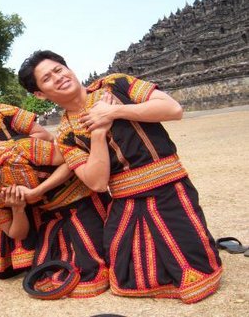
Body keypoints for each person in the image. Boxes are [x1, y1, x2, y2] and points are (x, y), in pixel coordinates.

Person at [18, 50, 222, 303]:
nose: (58, 77)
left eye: (58, 69)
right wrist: (98, 133)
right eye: (47, 79)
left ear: (68, 68)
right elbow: (97, 182)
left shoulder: (115, 85)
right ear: (39, 93)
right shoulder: (65, 135)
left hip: (168, 187)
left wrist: (115, 112)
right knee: (127, 276)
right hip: (126, 199)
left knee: (194, 276)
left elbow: (172, 108)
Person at [0, 129, 111, 296]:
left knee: (90, 271)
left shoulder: (18, 149)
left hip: (85, 201)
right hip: (53, 216)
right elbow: (17, 233)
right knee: (46, 276)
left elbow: (71, 159)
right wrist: (17, 209)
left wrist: (38, 192)